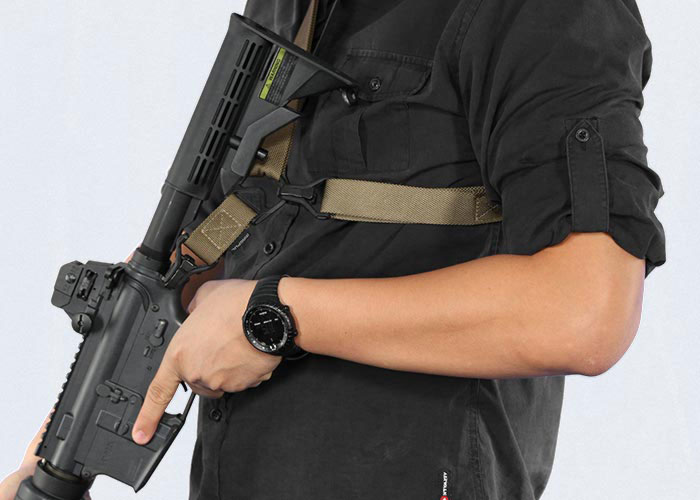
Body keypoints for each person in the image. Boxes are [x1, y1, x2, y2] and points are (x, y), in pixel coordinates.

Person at [1, 0, 665, 499]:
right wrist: (59, 452)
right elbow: (225, 232)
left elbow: (585, 313)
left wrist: (272, 317)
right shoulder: (293, 8)